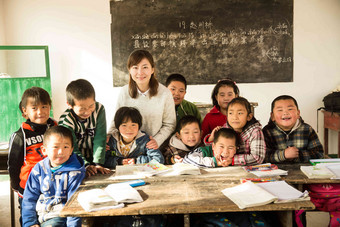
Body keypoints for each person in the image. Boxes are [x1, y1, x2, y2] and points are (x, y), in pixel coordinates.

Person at [8, 87, 57, 225]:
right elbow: (13, 163)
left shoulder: (55, 127)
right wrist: (16, 185)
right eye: (34, 108)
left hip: (52, 184)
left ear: (50, 107)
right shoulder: (20, 135)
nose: (40, 112)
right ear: (25, 111)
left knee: (50, 216)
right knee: (29, 218)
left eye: (44, 107)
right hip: (28, 186)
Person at [108, 49, 176, 149]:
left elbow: (170, 124)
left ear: (152, 69)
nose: (140, 72)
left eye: (145, 67)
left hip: (154, 148)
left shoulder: (165, 93)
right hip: (128, 149)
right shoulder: (124, 92)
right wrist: (108, 135)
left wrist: (156, 141)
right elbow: (116, 120)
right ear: (129, 70)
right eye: (135, 67)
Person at [22, 126, 85, 227]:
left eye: (65, 147)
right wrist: (30, 223)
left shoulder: (74, 172)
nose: (61, 152)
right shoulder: (38, 169)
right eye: (55, 147)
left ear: (71, 150)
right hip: (42, 215)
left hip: (61, 216)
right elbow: (29, 198)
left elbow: (74, 204)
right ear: (44, 150)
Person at [58, 79, 110, 177]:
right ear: (70, 105)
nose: (87, 112)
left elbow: (100, 137)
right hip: (76, 160)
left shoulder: (99, 109)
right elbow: (72, 148)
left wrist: (97, 163)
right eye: (82, 108)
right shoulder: (66, 121)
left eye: (91, 106)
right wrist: (85, 165)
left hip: (96, 157)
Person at [204, 97, 265, 165]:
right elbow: (214, 148)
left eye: (239, 113)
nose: (235, 117)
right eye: (230, 113)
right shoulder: (225, 128)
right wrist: (211, 138)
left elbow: (257, 158)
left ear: (249, 117)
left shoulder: (255, 132)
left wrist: (232, 160)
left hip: (248, 169)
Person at [263, 95, 324, 163]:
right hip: (275, 171)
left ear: (298, 113)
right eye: (280, 110)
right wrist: (283, 155)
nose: (285, 113)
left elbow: (319, 153)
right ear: (272, 116)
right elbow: (263, 156)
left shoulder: (307, 129)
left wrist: (298, 155)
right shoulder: (267, 131)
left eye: (290, 109)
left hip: (302, 170)